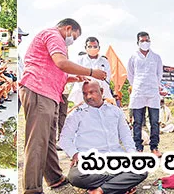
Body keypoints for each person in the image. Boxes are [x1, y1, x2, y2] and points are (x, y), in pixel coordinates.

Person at [19, 18, 107, 194]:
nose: (72, 41)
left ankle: (54, 178)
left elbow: (55, 70)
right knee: (37, 142)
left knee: (48, 140)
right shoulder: (53, 35)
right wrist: (91, 72)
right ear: (68, 28)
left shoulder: (56, 40)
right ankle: (32, 189)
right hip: (39, 90)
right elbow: (61, 63)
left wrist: (73, 78)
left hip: (49, 93)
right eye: (74, 36)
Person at [59, 80, 147, 194]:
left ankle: (100, 190)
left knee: (142, 169)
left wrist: (132, 153)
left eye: (92, 92)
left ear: (101, 91)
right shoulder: (76, 114)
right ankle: (121, 184)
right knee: (75, 176)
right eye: (85, 93)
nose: (88, 96)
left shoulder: (115, 111)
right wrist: (75, 154)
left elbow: (126, 136)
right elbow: (64, 139)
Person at [127, 31, 163, 156]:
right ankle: (138, 147)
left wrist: (153, 84)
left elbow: (159, 74)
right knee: (137, 122)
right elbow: (130, 75)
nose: (145, 43)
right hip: (138, 92)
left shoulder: (156, 57)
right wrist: (137, 85)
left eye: (147, 40)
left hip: (153, 92)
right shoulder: (133, 57)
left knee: (154, 121)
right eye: (142, 41)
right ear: (138, 42)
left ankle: (154, 147)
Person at [68, 37, 113, 106]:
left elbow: (107, 78)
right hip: (82, 94)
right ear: (86, 48)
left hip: (100, 93)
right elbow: (76, 75)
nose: (92, 48)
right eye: (90, 46)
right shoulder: (80, 60)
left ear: (99, 48)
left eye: (95, 46)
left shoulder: (104, 61)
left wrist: (97, 91)